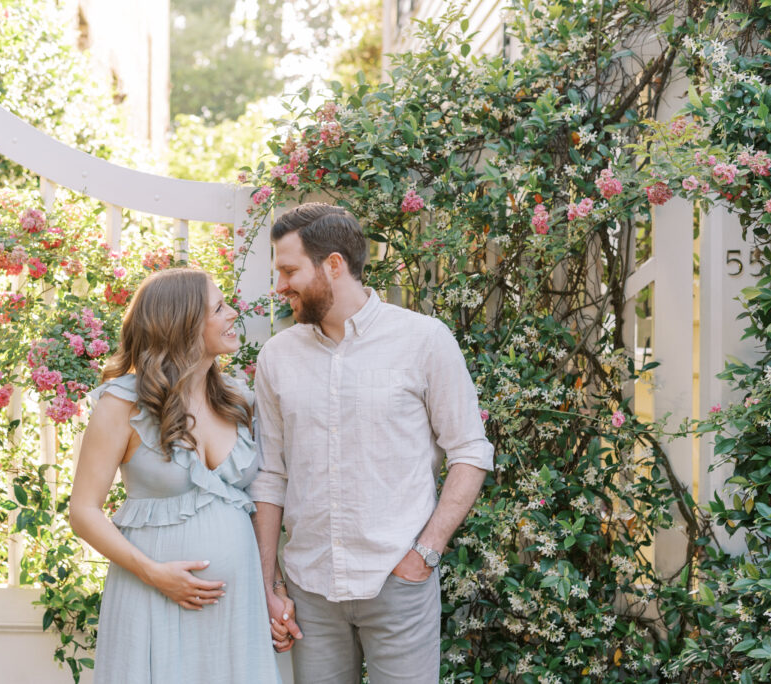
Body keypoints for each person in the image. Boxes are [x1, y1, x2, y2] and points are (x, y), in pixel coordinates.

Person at [250, 203, 494, 684]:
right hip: (310, 590)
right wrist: (268, 584)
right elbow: (270, 475)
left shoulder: (424, 340)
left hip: (398, 583)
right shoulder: (277, 356)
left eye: (289, 270)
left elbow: (470, 450)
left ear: (334, 265)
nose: (280, 286)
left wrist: (424, 553)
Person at [69, 267, 282, 684]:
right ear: (182, 324)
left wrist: (273, 589)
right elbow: (83, 511)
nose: (233, 313)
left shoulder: (239, 400)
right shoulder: (122, 404)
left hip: (238, 610)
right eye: (219, 308)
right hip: (153, 598)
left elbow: (265, 500)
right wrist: (155, 574)